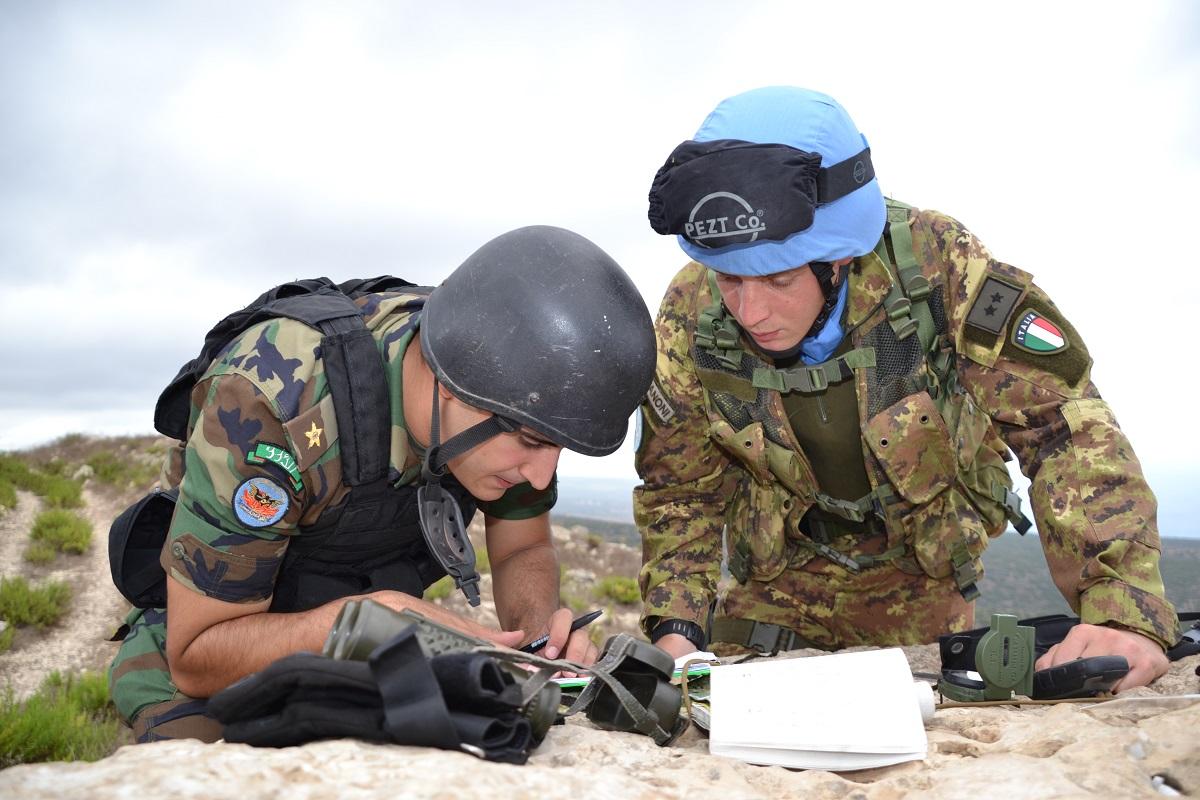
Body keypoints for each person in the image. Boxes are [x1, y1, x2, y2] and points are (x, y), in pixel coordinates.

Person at [634, 86, 1178, 691]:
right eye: (729, 279)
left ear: (840, 257)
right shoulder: (692, 310)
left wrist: (1121, 610)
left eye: (780, 279)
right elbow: (680, 488)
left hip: (921, 583)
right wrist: (678, 630)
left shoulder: (935, 266)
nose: (750, 310)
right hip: (771, 588)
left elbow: (1061, 426)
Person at [108, 225, 656, 742]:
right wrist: (367, 621)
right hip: (223, 646)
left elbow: (523, 547)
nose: (541, 474)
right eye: (533, 442)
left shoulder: (512, 384)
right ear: (450, 385)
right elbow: (197, 654)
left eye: (557, 448)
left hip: (370, 643)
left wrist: (538, 643)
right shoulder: (277, 399)